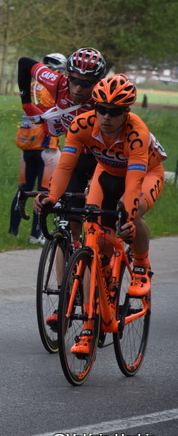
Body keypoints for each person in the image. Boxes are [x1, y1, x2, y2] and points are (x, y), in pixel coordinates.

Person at [34, 74, 167, 355]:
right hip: (105, 173)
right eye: (101, 108)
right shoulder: (82, 124)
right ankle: (89, 324)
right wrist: (52, 197)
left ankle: (141, 267)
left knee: (135, 211)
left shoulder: (136, 133)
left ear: (126, 112)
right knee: (94, 243)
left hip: (143, 175)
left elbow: (133, 185)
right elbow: (65, 167)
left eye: (114, 111)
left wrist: (127, 216)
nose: (106, 117)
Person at [17, 47, 107, 241]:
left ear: (97, 83)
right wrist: (27, 104)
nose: (77, 89)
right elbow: (24, 63)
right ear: (67, 75)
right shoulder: (57, 82)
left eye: (86, 84)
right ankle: (71, 264)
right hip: (73, 157)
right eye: (74, 80)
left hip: (103, 160)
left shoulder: (105, 96)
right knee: (70, 228)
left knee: (100, 226)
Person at [9, 53, 66, 245]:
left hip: (27, 147)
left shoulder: (31, 86)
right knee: (43, 193)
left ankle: (12, 231)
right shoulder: (55, 90)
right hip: (48, 149)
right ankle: (36, 235)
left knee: (23, 191)